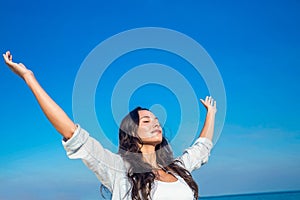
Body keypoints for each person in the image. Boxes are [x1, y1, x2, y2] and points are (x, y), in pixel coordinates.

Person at [2, 51, 217, 200]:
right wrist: (29, 78)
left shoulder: (177, 169)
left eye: (157, 120)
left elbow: (202, 147)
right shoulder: (118, 170)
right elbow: (72, 132)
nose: (156, 124)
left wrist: (212, 114)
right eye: (146, 120)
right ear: (131, 132)